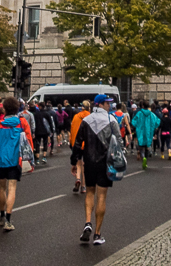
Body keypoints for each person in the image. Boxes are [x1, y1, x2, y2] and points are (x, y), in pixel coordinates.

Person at [70, 94, 117, 246]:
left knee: (90, 192)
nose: (109, 106)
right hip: (106, 163)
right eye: (107, 103)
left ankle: (87, 222)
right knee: (102, 196)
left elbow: (77, 143)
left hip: (89, 162)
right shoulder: (112, 121)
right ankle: (97, 234)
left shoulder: (86, 121)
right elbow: (119, 144)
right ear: (100, 104)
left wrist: (74, 161)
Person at [0, 97, 33, 232]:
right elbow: (28, 142)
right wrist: (31, 161)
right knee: (12, 188)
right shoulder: (21, 123)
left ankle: (1, 215)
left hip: (1, 160)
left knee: (2, 187)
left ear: (4, 109)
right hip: (15, 160)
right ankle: (9, 220)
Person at [131, 100, 158, 170]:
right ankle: (146, 158)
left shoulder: (139, 113)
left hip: (140, 131)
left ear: (142, 106)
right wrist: (154, 127)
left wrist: (136, 126)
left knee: (140, 146)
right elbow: (156, 121)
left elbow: (133, 121)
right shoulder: (151, 114)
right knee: (147, 146)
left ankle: (143, 156)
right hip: (148, 131)